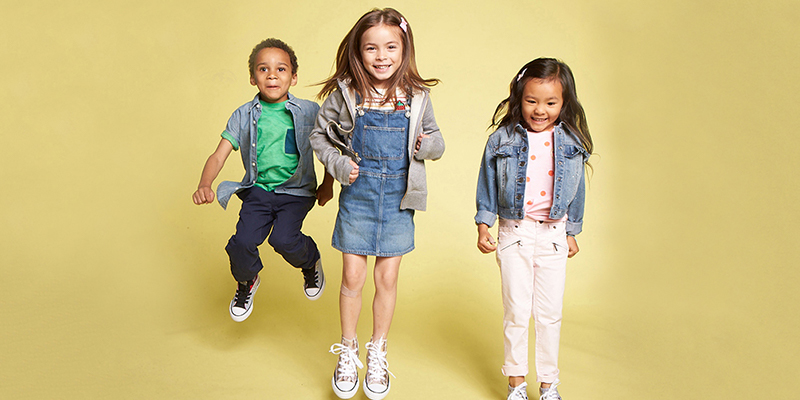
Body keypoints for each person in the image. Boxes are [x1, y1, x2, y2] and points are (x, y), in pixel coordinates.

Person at [310, 8, 444, 400]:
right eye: (371, 48)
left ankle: (378, 349)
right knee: (353, 278)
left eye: (390, 47)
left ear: (404, 49)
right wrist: (337, 164)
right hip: (359, 197)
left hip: (399, 202)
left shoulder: (417, 97)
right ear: (358, 50)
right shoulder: (347, 93)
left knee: (387, 279)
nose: (381, 56)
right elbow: (321, 136)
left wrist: (427, 145)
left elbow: (437, 139)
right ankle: (348, 349)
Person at [475, 58, 594, 400]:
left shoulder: (573, 142)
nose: (540, 110)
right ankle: (516, 383)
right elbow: (486, 184)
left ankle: (549, 385)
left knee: (549, 313)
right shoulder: (501, 140)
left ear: (564, 102)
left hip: (554, 236)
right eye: (531, 101)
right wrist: (484, 225)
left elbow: (577, 190)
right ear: (519, 98)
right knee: (516, 310)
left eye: (550, 102)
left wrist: (572, 230)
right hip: (514, 233)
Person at [192, 38, 334, 323]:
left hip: (296, 192)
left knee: (283, 239)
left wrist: (328, 184)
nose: (272, 75)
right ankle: (246, 282)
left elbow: (327, 149)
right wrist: (204, 184)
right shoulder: (243, 115)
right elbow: (219, 155)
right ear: (252, 77)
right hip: (258, 192)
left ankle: (310, 261)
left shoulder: (310, 112)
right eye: (263, 69)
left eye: (281, 69)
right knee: (241, 242)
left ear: (294, 77)